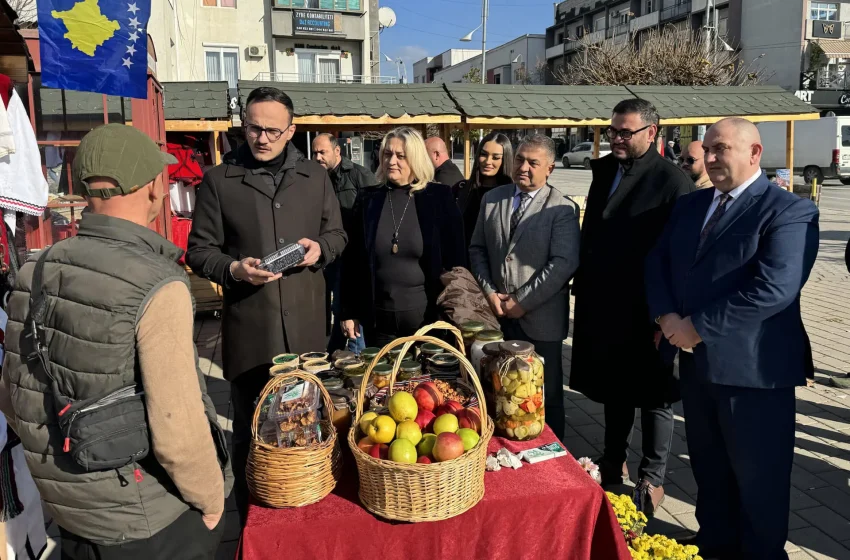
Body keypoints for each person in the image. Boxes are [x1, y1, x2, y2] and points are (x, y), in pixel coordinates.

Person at [0, 124, 232, 559]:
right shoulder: (157, 283)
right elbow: (177, 429)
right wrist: (213, 502)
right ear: (150, 187)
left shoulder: (35, 270)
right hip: (149, 519)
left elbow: (13, 400)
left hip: (72, 513)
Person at [646, 118, 819, 560]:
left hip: (755, 373)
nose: (711, 158)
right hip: (698, 366)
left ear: (755, 153)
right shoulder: (691, 205)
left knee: (759, 478)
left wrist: (696, 326)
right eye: (708, 149)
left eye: (722, 148)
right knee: (710, 467)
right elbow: (658, 261)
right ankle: (714, 543)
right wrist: (666, 316)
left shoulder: (789, 210)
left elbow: (775, 288)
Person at [186, 87, 346, 524]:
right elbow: (199, 252)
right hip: (253, 333)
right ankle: (252, 521)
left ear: (291, 130)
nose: (262, 138)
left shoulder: (315, 177)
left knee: (312, 425)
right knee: (254, 432)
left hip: (309, 331)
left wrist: (320, 250)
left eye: (274, 130)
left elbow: (338, 235)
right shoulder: (220, 179)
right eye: (254, 127)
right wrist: (236, 268)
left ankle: (312, 511)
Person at [570, 99, 693, 516]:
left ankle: (653, 477)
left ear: (652, 133)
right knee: (613, 389)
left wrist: (668, 314)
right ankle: (611, 461)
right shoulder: (603, 169)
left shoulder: (672, 181)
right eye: (613, 131)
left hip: (650, 310)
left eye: (626, 132)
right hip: (605, 305)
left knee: (656, 395)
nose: (617, 139)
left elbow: (679, 255)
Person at [469, 134, 580, 442]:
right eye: (519, 160)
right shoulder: (493, 199)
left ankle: (553, 460)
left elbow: (563, 264)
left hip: (540, 321)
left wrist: (521, 301)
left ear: (550, 168)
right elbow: (477, 248)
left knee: (544, 397)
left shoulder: (562, 208)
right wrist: (490, 293)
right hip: (498, 317)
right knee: (499, 392)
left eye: (533, 163)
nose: (524, 168)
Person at [341, 127, 466, 347]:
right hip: (379, 325)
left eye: (401, 156)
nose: (391, 161)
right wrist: (347, 310)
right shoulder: (368, 200)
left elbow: (457, 260)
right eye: (387, 154)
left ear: (415, 159)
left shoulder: (438, 198)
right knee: (383, 381)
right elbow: (352, 260)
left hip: (429, 324)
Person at [311, 133, 376, 354]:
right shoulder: (316, 179)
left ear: (337, 151)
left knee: (345, 306)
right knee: (334, 308)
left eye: (322, 152)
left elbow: (373, 216)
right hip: (325, 254)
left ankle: (357, 356)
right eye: (315, 152)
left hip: (351, 255)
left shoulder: (360, 176)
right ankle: (331, 352)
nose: (318, 157)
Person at [453, 132, 514, 250]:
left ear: (505, 160)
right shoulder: (460, 189)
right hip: (461, 262)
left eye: (495, 157)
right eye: (483, 154)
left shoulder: (512, 195)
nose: (487, 161)